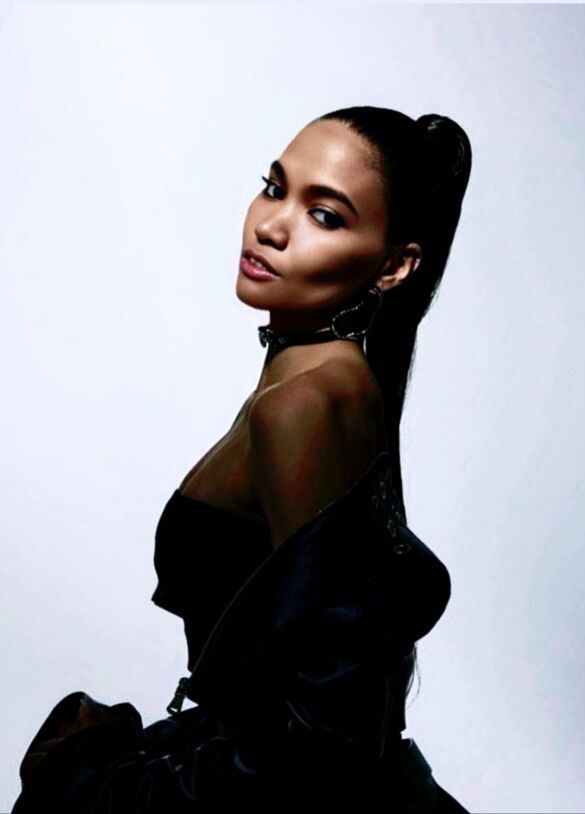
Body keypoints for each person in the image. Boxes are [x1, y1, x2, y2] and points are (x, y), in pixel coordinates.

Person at [11, 105, 472, 813]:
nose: (271, 226)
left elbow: (329, 737)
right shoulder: (321, 377)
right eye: (274, 187)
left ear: (394, 266)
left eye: (325, 216)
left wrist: (110, 789)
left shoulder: (306, 404)